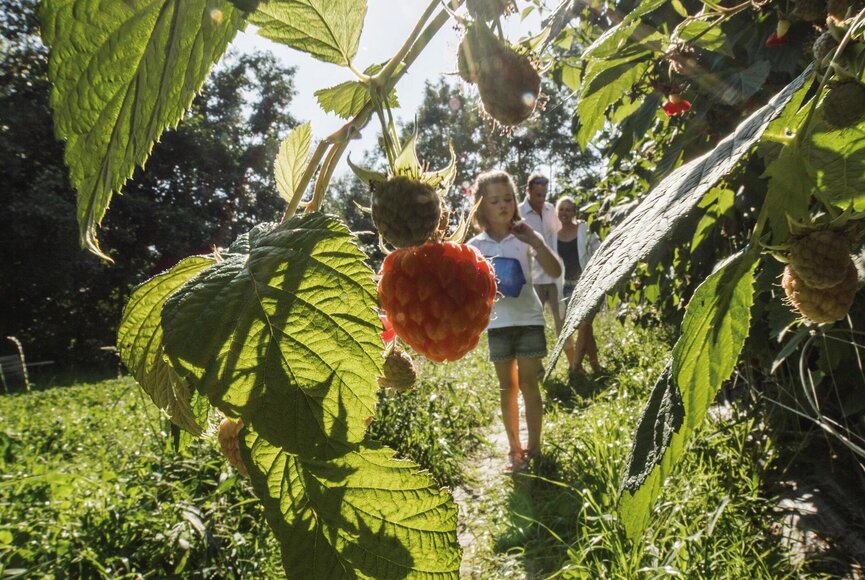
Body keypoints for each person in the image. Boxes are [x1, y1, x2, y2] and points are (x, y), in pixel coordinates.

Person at [468, 170, 562, 472]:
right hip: (497, 323)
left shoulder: (524, 237)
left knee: (529, 384)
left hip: (528, 319)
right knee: (506, 387)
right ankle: (514, 449)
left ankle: (535, 447)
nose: (502, 205)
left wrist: (534, 239)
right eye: (494, 201)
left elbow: (555, 271)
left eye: (508, 198)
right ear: (481, 207)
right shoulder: (475, 246)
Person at [518, 173, 576, 368]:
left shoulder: (552, 210)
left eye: (544, 195)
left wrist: (579, 227)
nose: (541, 199)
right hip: (532, 280)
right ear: (528, 191)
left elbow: (563, 233)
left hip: (554, 278)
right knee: (533, 324)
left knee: (563, 322)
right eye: (538, 195)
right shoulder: (518, 214)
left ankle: (574, 365)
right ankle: (538, 368)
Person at [555, 196, 602, 375]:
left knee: (584, 324)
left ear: (574, 212)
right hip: (564, 286)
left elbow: (598, 250)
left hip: (585, 283)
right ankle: (595, 365)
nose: (565, 213)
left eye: (568, 209)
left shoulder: (584, 229)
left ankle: (575, 367)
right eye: (561, 209)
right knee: (584, 327)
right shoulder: (553, 234)